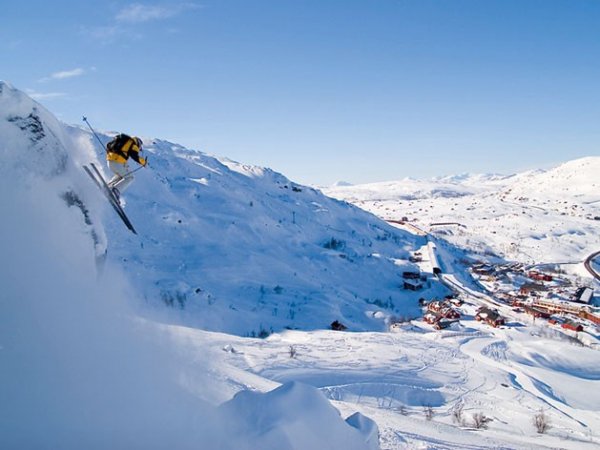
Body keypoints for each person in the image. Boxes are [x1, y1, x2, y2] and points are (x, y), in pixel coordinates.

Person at [105, 133, 147, 200]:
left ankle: (108, 187)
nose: (139, 149)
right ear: (138, 143)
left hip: (109, 162)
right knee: (130, 177)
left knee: (121, 175)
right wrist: (143, 162)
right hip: (117, 163)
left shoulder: (121, 141)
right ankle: (115, 191)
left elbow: (108, 145)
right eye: (139, 147)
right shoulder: (133, 144)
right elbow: (134, 156)